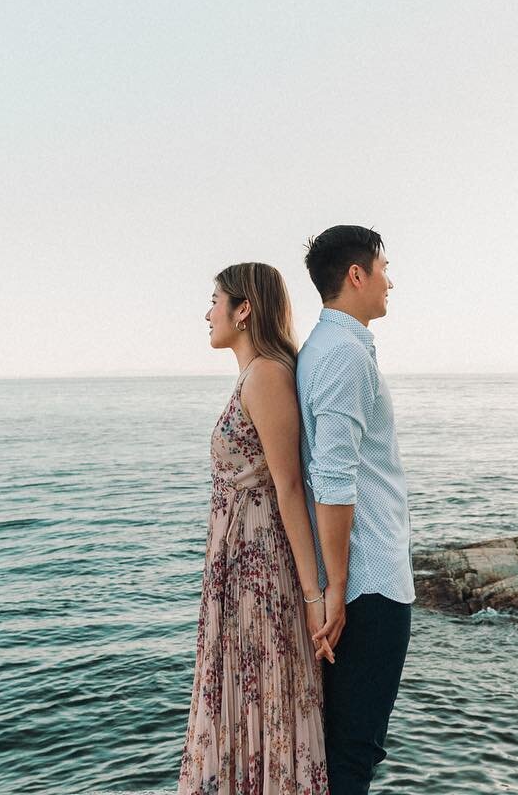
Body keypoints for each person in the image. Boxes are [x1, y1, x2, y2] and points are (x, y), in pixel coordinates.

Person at [177, 262, 332, 795]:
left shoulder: (267, 374)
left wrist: (315, 596)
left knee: (264, 699)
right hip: (238, 570)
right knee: (246, 699)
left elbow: (290, 487)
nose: (207, 313)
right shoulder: (252, 375)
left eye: (214, 300)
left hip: (260, 575)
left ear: (243, 309)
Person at [297, 225, 414, 795]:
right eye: (384, 268)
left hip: (355, 581)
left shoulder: (324, 348)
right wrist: (338, 587)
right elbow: (334, 476)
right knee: (355, 751)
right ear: (356, 275)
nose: (391, 281)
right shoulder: (343, 355)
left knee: (341, 747)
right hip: (370, 585)